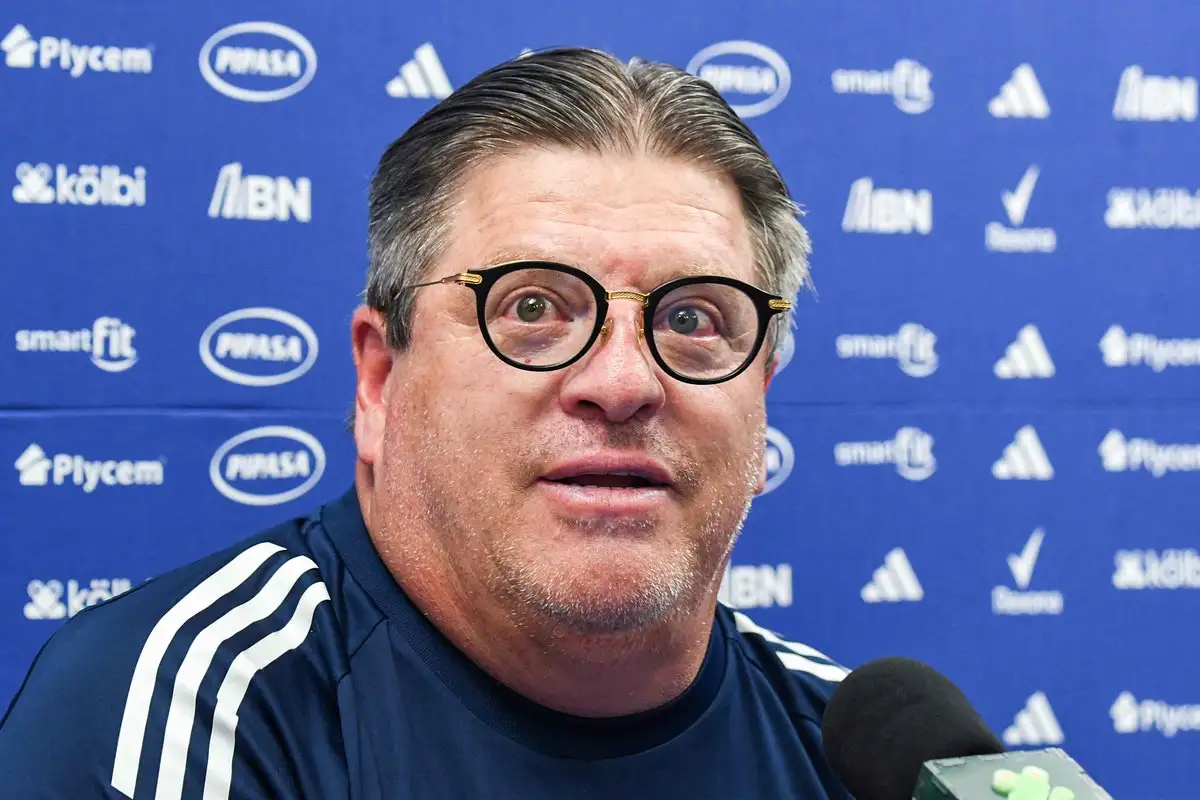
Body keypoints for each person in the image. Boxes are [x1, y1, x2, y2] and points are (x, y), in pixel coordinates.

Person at [0, 48, 853, 799]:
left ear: (763, 388)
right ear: (380, 377)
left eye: (694, 320)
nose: (624, 381)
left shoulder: (851, 749)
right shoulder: (198, 713)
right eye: (532, 306)